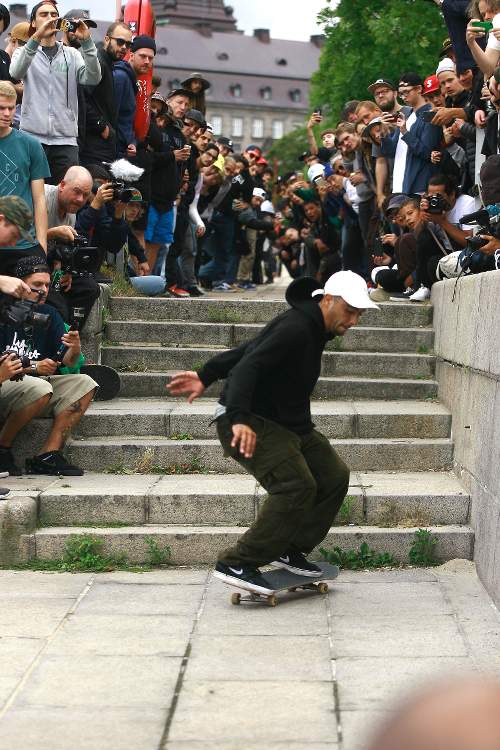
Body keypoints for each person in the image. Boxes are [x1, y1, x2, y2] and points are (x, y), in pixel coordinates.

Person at [167, 271, 379, 594]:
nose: (353, 321)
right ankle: (238, 561)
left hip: (288, 424)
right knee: (295, 485)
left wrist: (205, 373)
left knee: (334, 475)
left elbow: (252, 347)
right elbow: (248, 366)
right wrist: (238, 416)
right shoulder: (297, 328)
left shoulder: (311, 326)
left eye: (358, 315)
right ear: (328, 300)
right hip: (249, 421)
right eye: (349, 312)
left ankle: (289, 548)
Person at [0, 255, 97, 476]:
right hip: (7, 383)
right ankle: (2, 448)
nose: (43, 290)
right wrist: (34, 368)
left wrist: (75, 348)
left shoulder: (49, 313)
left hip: (36, 388)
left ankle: (48, 454)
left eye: (46, 284)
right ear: (20, 283)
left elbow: (69, 363)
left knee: (84, 384)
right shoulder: (4, 310)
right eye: (37, 285)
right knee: (40, 387)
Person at [9, 1, 101, 183]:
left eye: (53, 15)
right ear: (33, 23)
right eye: (44, 15)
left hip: (65, 141)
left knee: (64, 201)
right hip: (31, 138)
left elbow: (93, 78)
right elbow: (15, 73)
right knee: (31, 196)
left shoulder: (72, 54)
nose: (50, 18)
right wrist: (35, 39)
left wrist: (87, 43)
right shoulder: (24, 52)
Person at [0, 80, 49, 275]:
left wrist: (42, 244)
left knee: (47, 304)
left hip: (23, 245)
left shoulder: (31, 145)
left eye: (11, 108)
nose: (7, 114)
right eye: (1, 108)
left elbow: (39, 199)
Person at [80, 21, 133, 165]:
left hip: (100, 145)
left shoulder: (107, 63)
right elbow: (80, 98)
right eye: (120, 42)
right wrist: (101, 125)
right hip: (92, 146)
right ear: (107, 39)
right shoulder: (99, 63)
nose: (124, 48)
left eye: (128, 45)